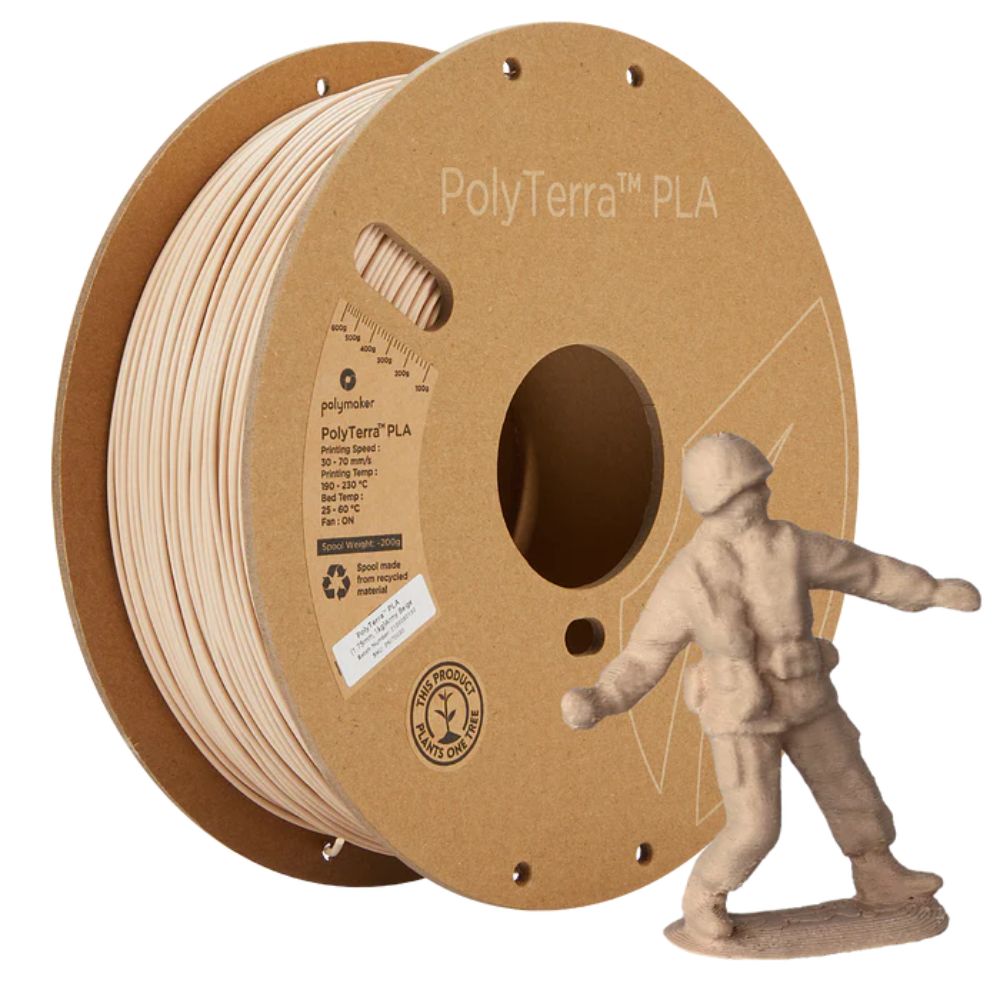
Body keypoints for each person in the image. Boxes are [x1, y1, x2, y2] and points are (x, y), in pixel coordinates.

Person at [562, 432, 980, 942]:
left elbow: (863, 569)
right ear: (719, 501)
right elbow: (646, 654)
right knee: (755, 825)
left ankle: (878, 874)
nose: (763, 494)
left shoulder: (789, 545)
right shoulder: (689, 577)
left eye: (760, 484)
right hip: (741, 713)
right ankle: (704, 897)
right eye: (749, 489)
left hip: (807, 697)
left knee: (851, 787)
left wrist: (929, 590)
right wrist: (604, 698)